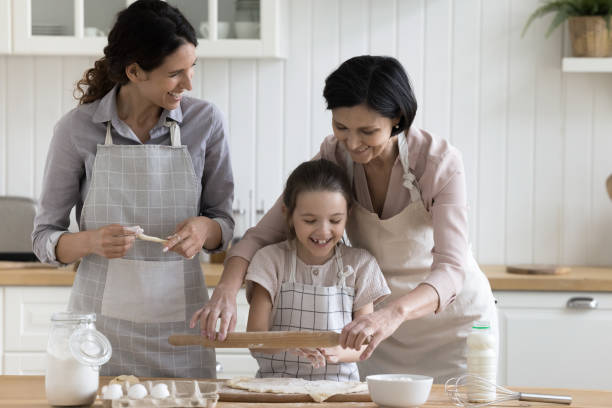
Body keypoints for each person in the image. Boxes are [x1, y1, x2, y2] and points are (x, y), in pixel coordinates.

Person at [191, 55, 497, 383]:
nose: (352, 143)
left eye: (367, 131)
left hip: (450, 326)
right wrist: (226, 288)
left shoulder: (438, 162)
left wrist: (395, 313)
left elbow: (451, 269)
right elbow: (262, 235)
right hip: (373, 330)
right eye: (341, 127)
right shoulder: (335, 156)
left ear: (397, 119)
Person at [32, 0, 234, 378]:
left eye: (192, 68)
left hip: (183, 334)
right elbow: (45, 238)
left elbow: (223, 221)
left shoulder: (204, 122)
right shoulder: (77, 129)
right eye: (176, 73)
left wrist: (205, 229)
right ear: (135, 72)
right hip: (97, 340)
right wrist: (90, 242)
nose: (188, 84)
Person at [245, 159, 390, 380]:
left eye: (335, 220)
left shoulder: (361, 265)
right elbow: (255, 339)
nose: (323, 231)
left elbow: (364, 342)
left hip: (340, 391)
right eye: (310, 220)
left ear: (348, 215)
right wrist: (292, 343)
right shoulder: (270, 261)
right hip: (276, 389)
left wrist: (336, 353)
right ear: (288, 215)